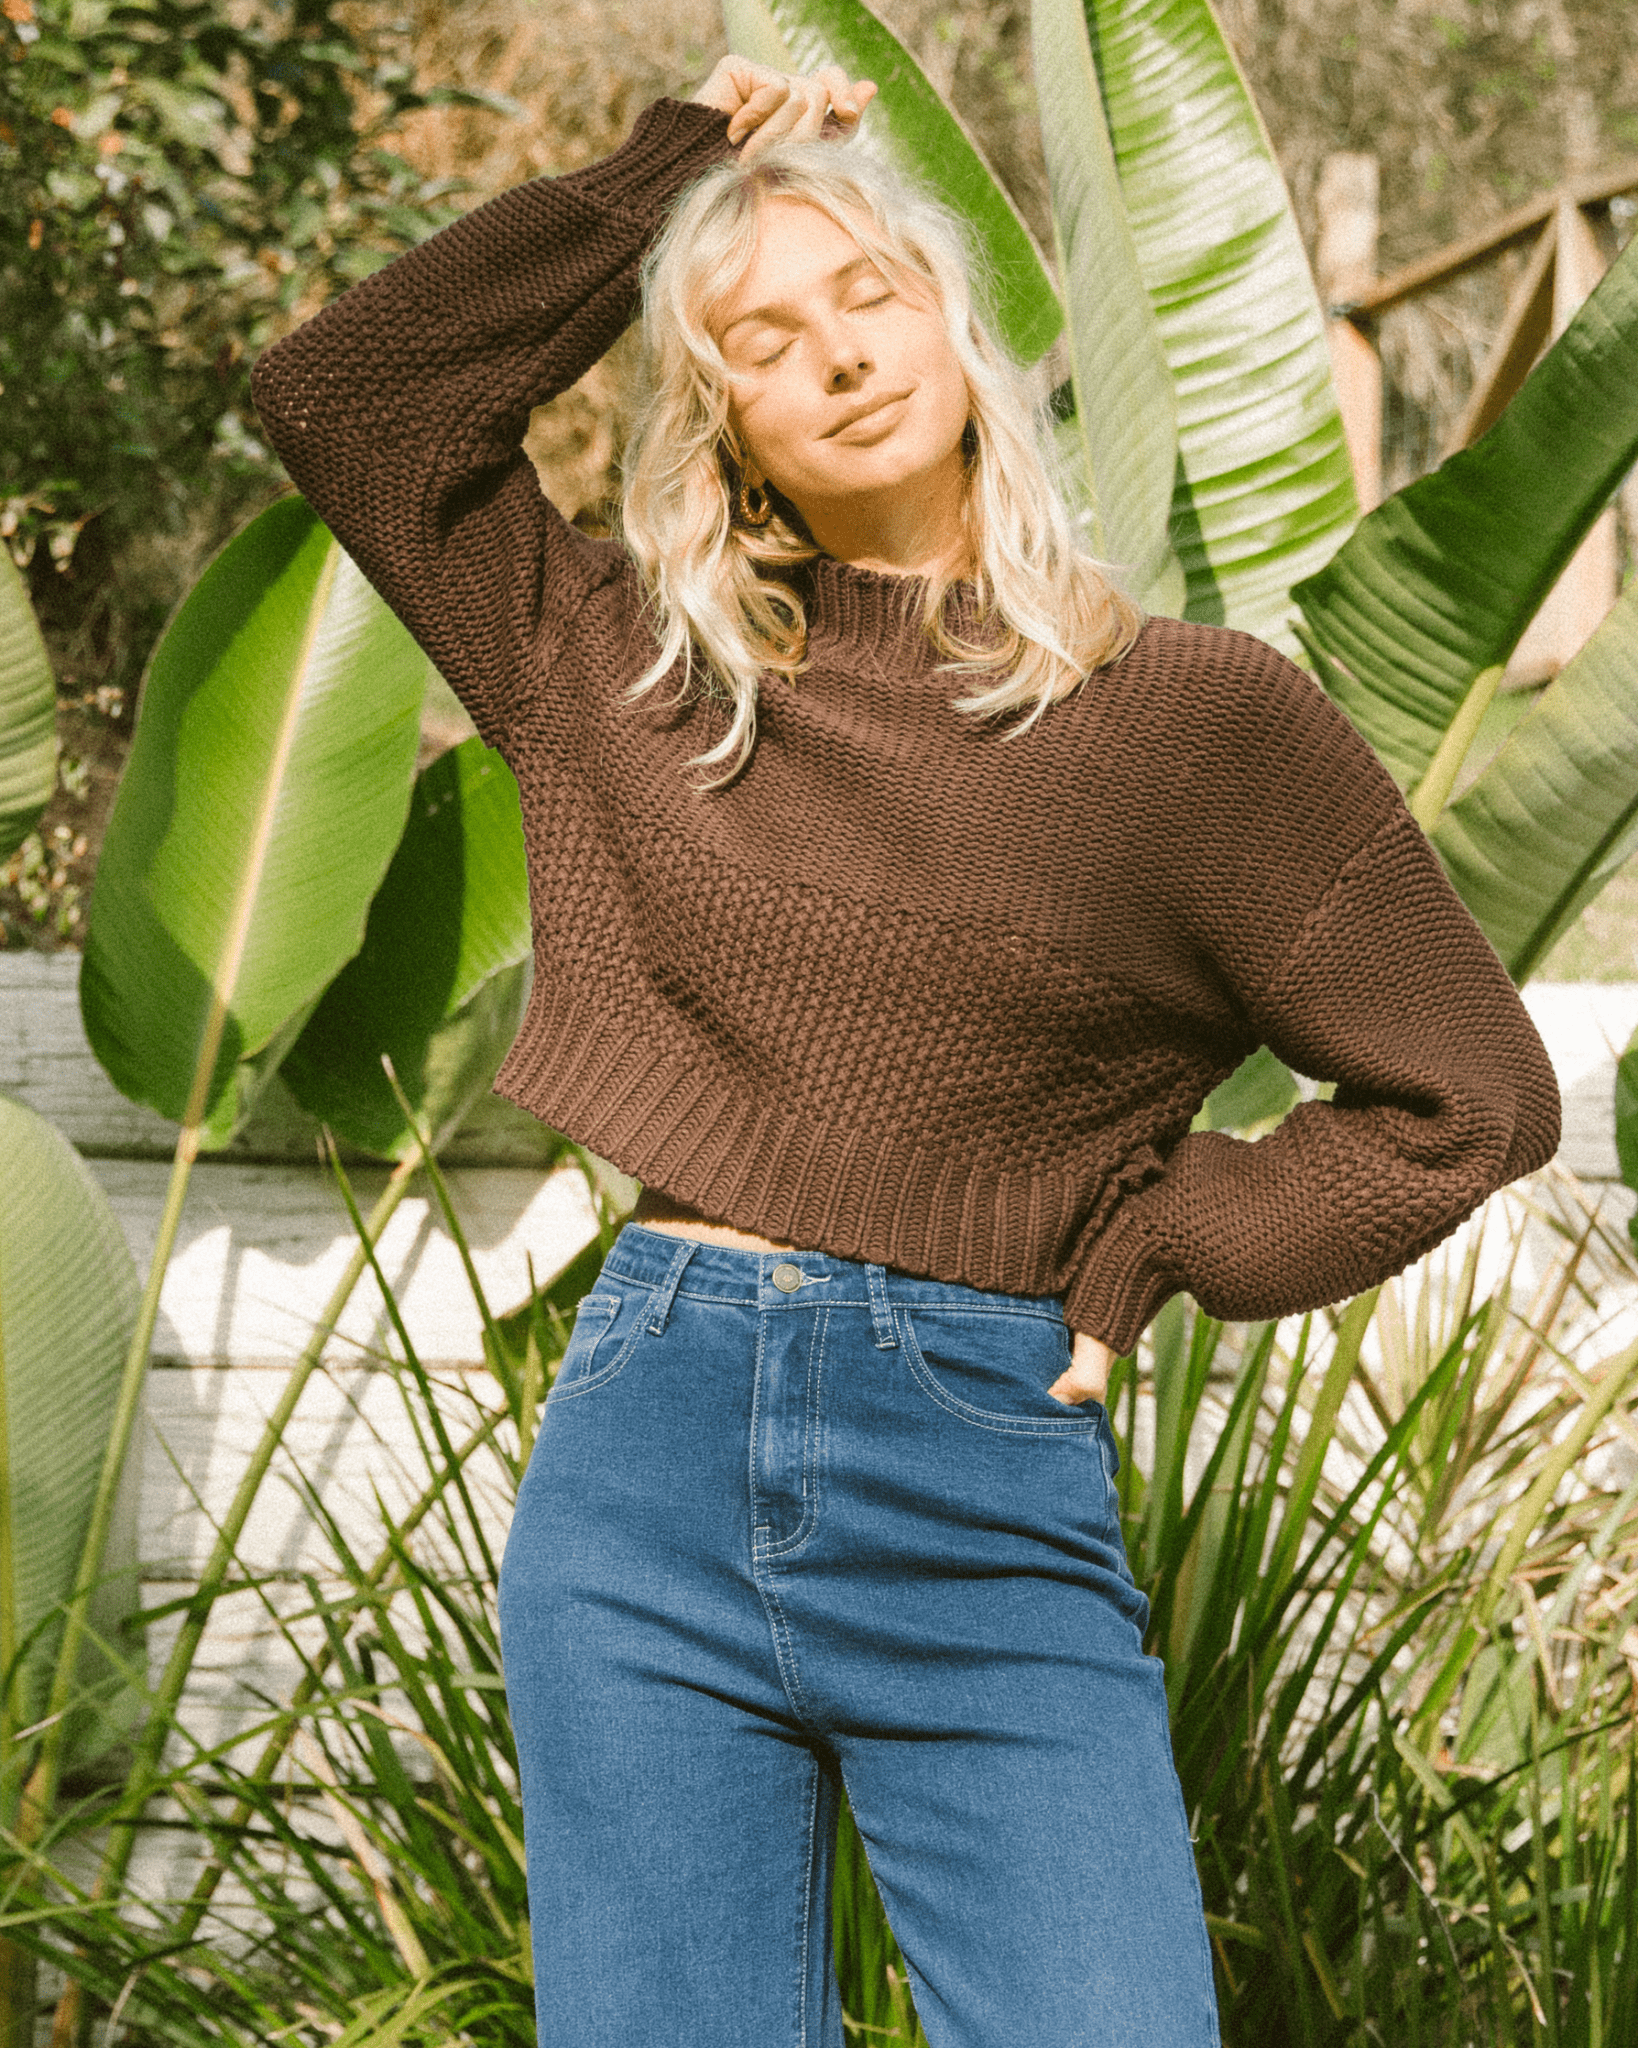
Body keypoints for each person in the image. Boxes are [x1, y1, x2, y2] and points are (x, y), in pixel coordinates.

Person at [249, 55, 1561, 2048]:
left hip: (980, 1470)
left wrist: (1161, 1231)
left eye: (868, 293)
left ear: (961, 325)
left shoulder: (1198, 725)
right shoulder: (623, 665)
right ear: (724, 430)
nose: (841, 357)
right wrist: (673, 164)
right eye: (763, 339)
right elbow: (350, 399)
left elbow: (1470, 1098)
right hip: (649, 1461)